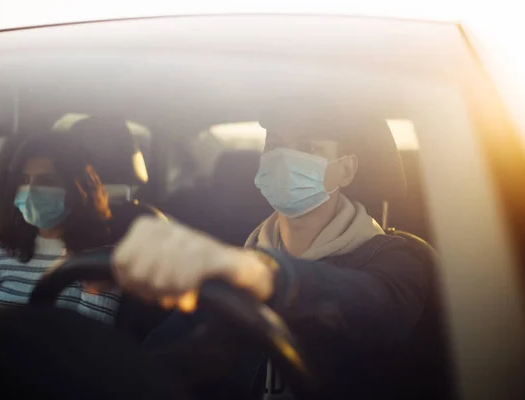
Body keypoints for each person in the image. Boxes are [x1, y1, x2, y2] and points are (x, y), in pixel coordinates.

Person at [112, 116, 430, 398]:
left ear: (346, 169)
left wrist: (265, 275)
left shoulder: (398, 258)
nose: (285, 160)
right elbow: (155, 362)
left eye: (308, 147)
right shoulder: (237, 258)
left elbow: (377, 307)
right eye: (275, 145)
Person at [0, 135, 120, 324]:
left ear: (79, 190)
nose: (31, 190)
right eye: (24, 180)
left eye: (47, 181)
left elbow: (89, 338)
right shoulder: (5, 247)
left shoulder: (98, 257)